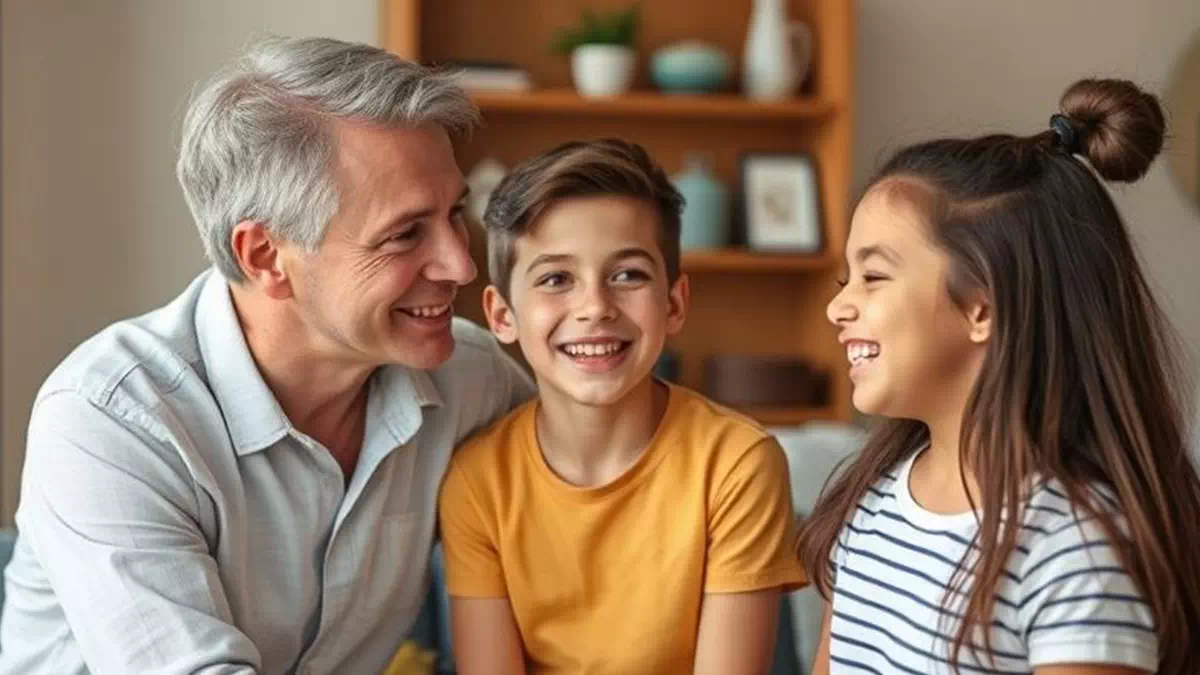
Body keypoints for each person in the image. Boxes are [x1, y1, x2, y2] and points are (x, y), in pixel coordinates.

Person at [0, 36, 533, 674]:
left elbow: (608, 485)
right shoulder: (109, 419)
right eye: (404, 234)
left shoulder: (471, 379)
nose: (462, 264)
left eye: (455, 214)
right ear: (265, 257)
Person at [798, 78, 1200, 675]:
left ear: (982, 307)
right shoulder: (872, 499)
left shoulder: (1075, 547)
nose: (838, 307)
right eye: (845, 279)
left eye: (873, 277)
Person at [437, 138, 807, 674]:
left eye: (628, 275)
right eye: (555, 279)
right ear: (501, 315)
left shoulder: (737, 463)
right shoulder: (477, 481)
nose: (594, 307)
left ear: (674, 303)